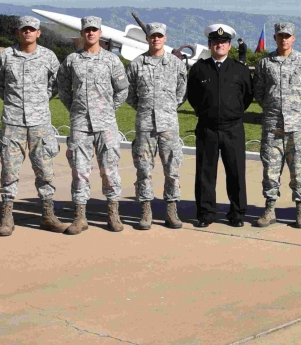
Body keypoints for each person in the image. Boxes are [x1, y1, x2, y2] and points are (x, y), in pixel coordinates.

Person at [57, 16, 129, 235]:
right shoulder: (71, 60)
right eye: (87, 30)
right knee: (79, 171)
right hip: (80, 125)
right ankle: (80, 217)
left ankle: (113, 214)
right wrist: (77, 110)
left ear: (100, 33)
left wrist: (108, 109)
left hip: (106, 125)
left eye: (94, 30)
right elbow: (63, 89)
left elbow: (123, 90)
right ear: (82, 33)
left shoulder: (111, 61)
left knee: (109, 171)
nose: (90, 33)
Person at [0, 16, 67, 236]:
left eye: (32, 29)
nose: (28, 32)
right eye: (24, 29)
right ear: (17, 33)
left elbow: (56, 85)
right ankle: (6, 216)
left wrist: (39, 101)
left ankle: (48, 215)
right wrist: (14, 102)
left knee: (45, 170)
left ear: (39, 33)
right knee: (9, 171)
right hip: (13, 122)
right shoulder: (6, 56)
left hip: (40, 123)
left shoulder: (48, 57)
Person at [187, 24, 253, 228]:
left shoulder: (240, 70)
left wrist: (233, 112)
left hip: (232, 128)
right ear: (209, 44)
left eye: (223, 42)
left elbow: (248, 96)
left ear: (230, 45)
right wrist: (205, 112)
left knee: (236, 172)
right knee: (206, 173)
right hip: (207, 128)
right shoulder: (199, 68)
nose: (219, 45)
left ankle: (237, 212)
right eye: (215, 41)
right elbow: (193, 96)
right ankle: (206, 213)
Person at [252, 22, 301, 229]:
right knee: (270, 170)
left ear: (294, 38)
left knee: (298, 171)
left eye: (288, 36)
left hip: (296, 126)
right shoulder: (265, 63)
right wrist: (273, 108)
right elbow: (259, 93)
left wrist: (295, 108)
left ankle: (300, 209)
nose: (284, 39)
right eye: (280, 36)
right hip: (272, 126)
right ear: (275, 38)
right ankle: (270, 209)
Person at [126, 23, 188, 230]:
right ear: (147, 38)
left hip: (169, 124)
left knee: (172, 169)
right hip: (145, 125)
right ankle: (146, 211)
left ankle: (171, 211)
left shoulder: (176, 64)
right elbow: (129, 94)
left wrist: (168, 108)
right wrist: (144, 108)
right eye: (152, 36)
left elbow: (182, 92)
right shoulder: (136, 64)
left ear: (165, 38)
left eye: (159, 36)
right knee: (143, 169)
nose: (156, 39)